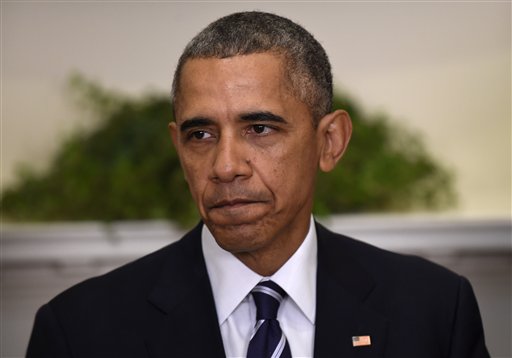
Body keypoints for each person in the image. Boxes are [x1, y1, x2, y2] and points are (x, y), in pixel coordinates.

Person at [27, 11, 489, 358]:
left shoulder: (433, 310)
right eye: (200, 135)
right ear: (177, 146)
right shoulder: (78, 331)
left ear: (329, 142)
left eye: (260, 129)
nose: (225, 166)